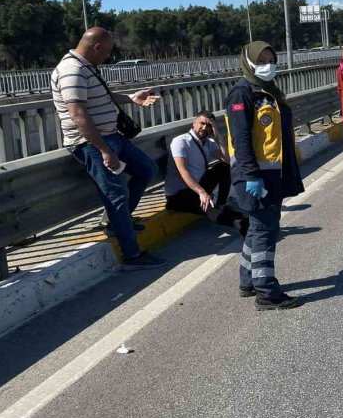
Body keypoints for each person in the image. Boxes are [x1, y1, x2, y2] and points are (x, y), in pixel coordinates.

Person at [51, 28, 165, 270]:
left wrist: (131, 98)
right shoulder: (71, 71)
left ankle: (118, 223)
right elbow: (78, 115)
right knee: (116, 195)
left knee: (147, 169)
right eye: (107, 52)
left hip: (112, 136)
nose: (107, 57)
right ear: (97, 48)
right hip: (91, 144)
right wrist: (103, 150)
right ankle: (132, 255)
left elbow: (102, 96)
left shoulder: (85, 66)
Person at [225, 41, 305, 310]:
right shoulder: (242, 94)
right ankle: (267, 292)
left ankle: (247, 281)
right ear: (248, 62)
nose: (268, 65)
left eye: (271, 59)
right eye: (261, 60)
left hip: (272, 175)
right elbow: (242, 139)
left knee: (259, 229)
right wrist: (251, 175)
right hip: (255, 176)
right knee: (265, 232)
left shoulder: (266, 91)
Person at [164, 111, 248, 235]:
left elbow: (227, 160)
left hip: (197, 186)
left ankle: (221, 205)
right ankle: (236, 223)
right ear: (194, 123)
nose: (204, 127)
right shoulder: (181, 141)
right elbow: (183, 170)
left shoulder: (209, 143)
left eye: (209, 125)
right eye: (202, 123)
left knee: (224, 167)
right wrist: (202, 192)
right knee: (207, 207)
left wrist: (217, 135)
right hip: (179, 193)